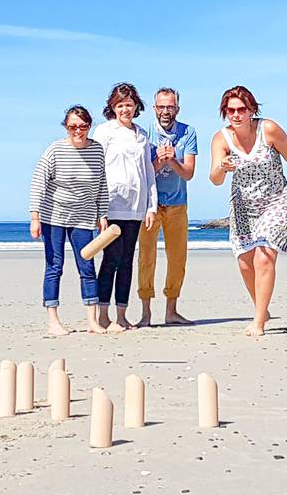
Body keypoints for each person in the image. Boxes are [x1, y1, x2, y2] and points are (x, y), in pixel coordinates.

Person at [207, 85, 287, 337]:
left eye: (242, 109)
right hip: (243, 205)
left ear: (252, 109)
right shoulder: (221, 139)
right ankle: (262, 309)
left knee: (263, 257)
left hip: (276, 200)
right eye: (231, 111)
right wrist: (222, 166)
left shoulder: (269, 129)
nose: (237, 115)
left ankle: (258, 322)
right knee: (244, 263)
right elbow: (215, 179)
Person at [29, 104, 111, 336]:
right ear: (66, 127)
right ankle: (53, 321)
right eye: (72, 126)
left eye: (83, 126)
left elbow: (101, 184)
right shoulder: (54, 150)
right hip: (53, 216)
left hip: (83, 217)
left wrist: (101, 214)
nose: (78, 131)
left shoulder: (96, 150)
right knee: (55, 266)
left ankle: (92, 321)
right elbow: (38, 182)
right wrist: (35, 216)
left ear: (89, 127)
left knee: (87, 267)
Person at [94, 82, 158, 333]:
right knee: (110, 259)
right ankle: (102, 315)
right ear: (113, 107)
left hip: (136, 208)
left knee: (127, 261)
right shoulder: (104, 132)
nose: (125, 109)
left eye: (129, 105)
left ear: (136, 106)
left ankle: (121, 315)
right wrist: (99, 210)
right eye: (120, 105)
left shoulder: (141, 135)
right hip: (111, 207)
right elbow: (97, 170)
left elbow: (148, 173)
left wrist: (151, 207)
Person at [138, 87, 197, 327]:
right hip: (149, 206)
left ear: (177, 109)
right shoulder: (144, 133)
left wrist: (172, 159)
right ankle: (145, 313)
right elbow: (140, 173)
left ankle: (171, 311)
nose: (165, 111)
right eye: (161, 106)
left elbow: (189, 173)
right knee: (146, 258)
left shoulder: (188, 132)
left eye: (170, 107)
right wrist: (158, 160)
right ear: (154, 109)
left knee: (177, 258)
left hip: (177, 204)